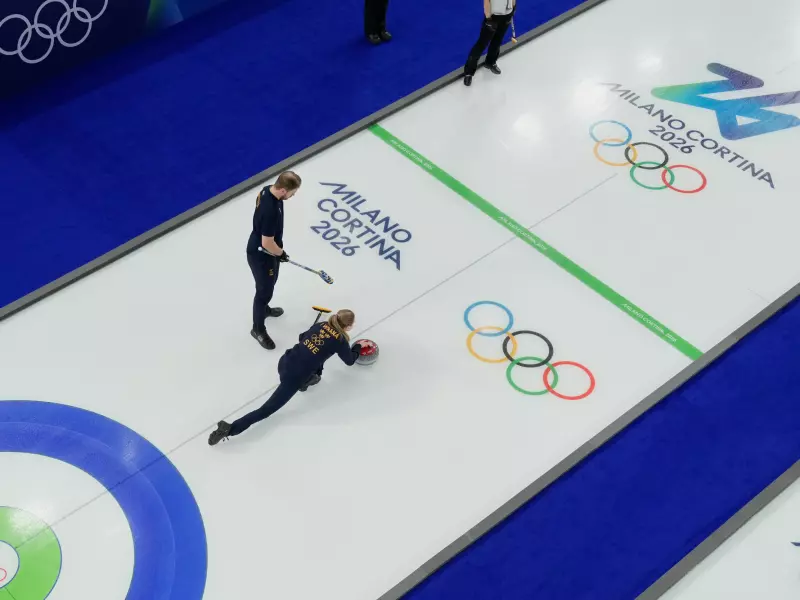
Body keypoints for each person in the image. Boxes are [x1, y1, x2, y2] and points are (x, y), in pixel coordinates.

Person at [208, 309, 363, 445]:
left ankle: (309, 379)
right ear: (347, 326)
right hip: (295, 377)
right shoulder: (340, 341)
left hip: (285, 361)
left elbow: (302, 337)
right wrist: (356, 348)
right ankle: (230, 429)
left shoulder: (321, 324)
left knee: (317, 361)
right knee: (266, 410)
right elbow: (349, 361)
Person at [246, 171, 302, 350]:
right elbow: (267, 242)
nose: (294, 196)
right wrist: (281, 253)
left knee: (270, 284)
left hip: (267, 251)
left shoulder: (266, 190)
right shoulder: (271, 211)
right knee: (264, 292)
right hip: (263, 254)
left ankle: (264, 310)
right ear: (284, 190)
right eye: (293, 193)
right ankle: (258, 329)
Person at [463, 0, 516, 86]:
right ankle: (469, 72)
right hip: (493, 17)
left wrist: (513, 7)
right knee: (482, 44)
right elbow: (486, 1)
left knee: (497, 41)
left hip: (507, 15)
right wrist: (488, 19)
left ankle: (490, 62)